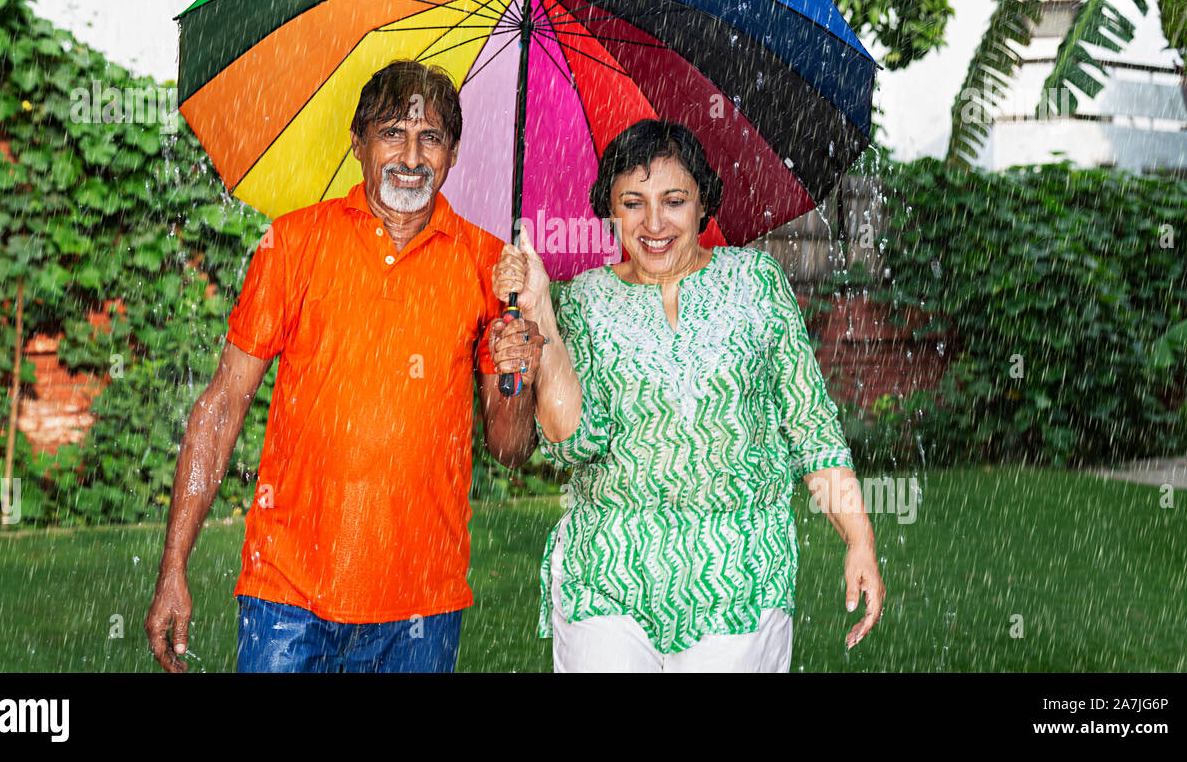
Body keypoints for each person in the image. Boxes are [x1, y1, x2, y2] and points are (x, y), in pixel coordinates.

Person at [145, 60, 543, 673]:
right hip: (289, 597)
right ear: (358, 142)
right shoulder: (293, 243)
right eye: (392, 133)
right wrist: (174, 567)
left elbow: (510, 449)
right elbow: (222, 406)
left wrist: (519, 376)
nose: (411, 156)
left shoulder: (490, 265)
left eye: (430, 137)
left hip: (422, 604)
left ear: (454, 153)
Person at [490, 119, 884, 672]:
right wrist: (542, 315)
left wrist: (859, 539)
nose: (654, 223)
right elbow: (570, 441)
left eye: (673, 200)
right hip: (607, 576)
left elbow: (811, 430)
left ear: (703, 204)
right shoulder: (583, 299)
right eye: (633, 202)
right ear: (611, 210)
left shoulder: (755, 282)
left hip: (740, 576)